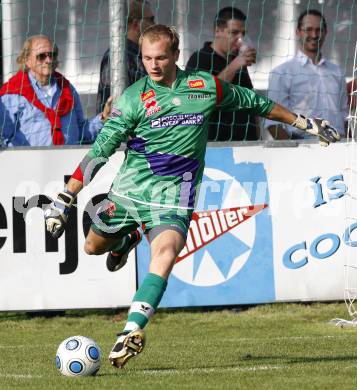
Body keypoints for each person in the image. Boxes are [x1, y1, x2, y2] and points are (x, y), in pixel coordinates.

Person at [45, 24, 340, 369]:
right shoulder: (134, 98)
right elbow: (100, 150)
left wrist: (305, 123)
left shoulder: (204, 87)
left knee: (166, 252)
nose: (153, 65)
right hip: (130, 193)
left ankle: (131, 331)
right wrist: (66, 197)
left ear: (176, 55)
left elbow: (255, 102)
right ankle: (128, 239)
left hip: (175, 196)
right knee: (93, 247)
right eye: (147, 58)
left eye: (160, 58)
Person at [0, 35, 111, 147]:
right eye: (41, 56)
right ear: (27, 60)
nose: (48, 60)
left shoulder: (67, 89)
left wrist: (104, 118)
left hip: (68, 160)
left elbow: (82, 132)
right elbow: (4, 139)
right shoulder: (12, 94)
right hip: (29, 162)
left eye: (52, 55)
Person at [264, 9, 348, 140]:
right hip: (302, 148)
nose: (314, 35)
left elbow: (344, 116)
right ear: (298, 32)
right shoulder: (282, 72)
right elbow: (272, 122)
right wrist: (294, 152)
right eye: (308, 29)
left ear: (325, 33)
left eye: (318, 30)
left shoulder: (337, 72)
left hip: (337, 148)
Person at [186, 7, 258, 141]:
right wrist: (235, 65)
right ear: (217, 31)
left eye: (243, 33)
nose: (240, 38)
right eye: (234, 32)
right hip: (215, 146)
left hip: (247, 144)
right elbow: (202, 96)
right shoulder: (200, 59)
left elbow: (251, 103)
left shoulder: (237, 61)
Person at [96, 0, 155, 113]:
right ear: (136, 24)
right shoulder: (116, 58)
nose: (154, 24)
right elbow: (109, 106)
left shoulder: (143, 54)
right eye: (150, 19)